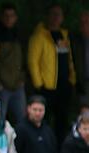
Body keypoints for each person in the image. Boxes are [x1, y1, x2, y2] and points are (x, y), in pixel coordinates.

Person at [28, 4, 76, 140]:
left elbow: (70, 59)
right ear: (48, 16)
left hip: (64, 84)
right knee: (46, 120)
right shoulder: (39, 35)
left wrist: (72, 79)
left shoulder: (64, 35)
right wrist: (38, 84)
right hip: (47, 86)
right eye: (53, 14)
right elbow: (33, 61)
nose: (55, 18)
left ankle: (61, 150)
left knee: (62, 119)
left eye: (58, 15)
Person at [0, 3, 26, 125]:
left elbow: (24, 60)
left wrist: (22, 78)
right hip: (2, 86)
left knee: (22, 120)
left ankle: (20, 144)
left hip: (18, 85)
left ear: (16, 17)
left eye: (12, 16)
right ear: (1, 17)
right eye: (6, 16)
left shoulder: (20, 34)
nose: (9, 19)